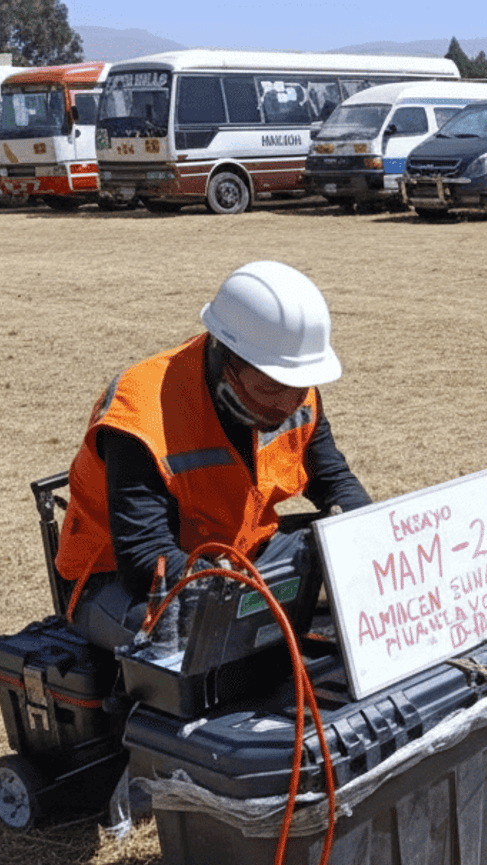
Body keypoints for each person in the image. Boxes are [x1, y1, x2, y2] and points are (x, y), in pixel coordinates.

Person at [55, 260, 370, 649]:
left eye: (300, 385)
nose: (290, 403)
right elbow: (143, 559)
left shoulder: (295, 390)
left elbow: (335, 482)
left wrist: (366, 544)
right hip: (115, 580)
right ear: (226, 359)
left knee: (349, 568)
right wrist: (242, 597)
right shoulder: (142, 411)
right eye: (273, 387)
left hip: (241, 555)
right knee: (205, 639)